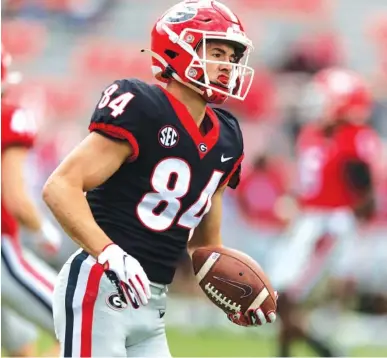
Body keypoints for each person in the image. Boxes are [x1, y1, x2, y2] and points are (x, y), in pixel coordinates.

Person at [42, 1, 278, 356]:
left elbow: (203, 244)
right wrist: (109, 253)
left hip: (153, 306)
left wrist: (234, 292)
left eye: (231, 57)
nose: (227, 66)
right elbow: (60, 186)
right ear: (177, 47)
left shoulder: (228, 136)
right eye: (216, 52)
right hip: (101, 286)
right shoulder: (142, 105)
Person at [269, 67, 381, 356]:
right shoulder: (311, 133)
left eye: (323, 98)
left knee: (285, 296)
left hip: (329, 225)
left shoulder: (354, 137)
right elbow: (308, 183)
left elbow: (364, 196)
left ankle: (324, 350)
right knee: (278, 295)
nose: (316, 104)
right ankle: (308, 351)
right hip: (306, 221)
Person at [1, 45, 62, 356]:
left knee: (21, 349)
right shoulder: (8, 116)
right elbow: (14, 196)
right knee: (85, 322)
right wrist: (42, 230)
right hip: (2, 253)